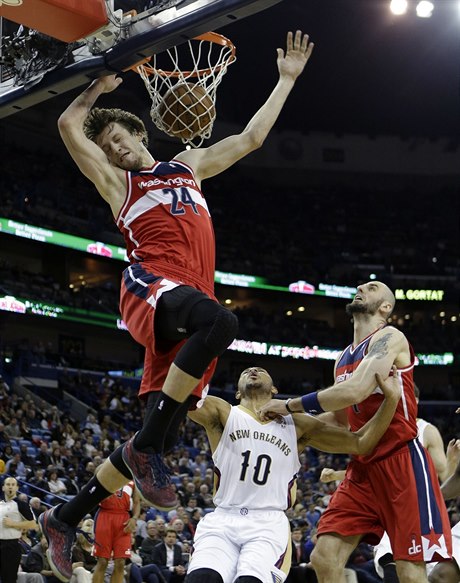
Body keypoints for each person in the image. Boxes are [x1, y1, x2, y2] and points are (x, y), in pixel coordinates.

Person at [39, 29, 315, 583]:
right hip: (153, 284)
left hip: (192, 308)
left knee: (157, 437)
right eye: (110, 145)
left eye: (121, 138)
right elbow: (70, 126)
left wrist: (285, 79)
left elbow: (253, 138)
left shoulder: (189, 165)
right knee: (224, 320)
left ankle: (65, 517)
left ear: (141, 132)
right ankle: (140, 453)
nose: (117, 148)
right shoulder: (120, 186)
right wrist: (96, 89)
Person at [258, 281, 452, 583]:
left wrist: (289, 406)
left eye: (372, 287)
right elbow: (338, 420)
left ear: (385, 307)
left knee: (409, 572)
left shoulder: (390, 337)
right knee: (323, 557)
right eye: (362, 286)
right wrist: (291, 430)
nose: (361, 287)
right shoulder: (342, 357)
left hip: (402, 463)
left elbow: (356, 389)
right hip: (363, 468)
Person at [185, 363, 401, 583]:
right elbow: (182, 395)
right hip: (223, 517)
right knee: (201, 578)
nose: (253, 371)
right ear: (238, 392)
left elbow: (360, 443)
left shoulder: (296, 425)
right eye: (245, 371)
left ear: (274, 390)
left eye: (262, 370)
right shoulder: (223, 412)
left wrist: (391, 401)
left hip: (266, 525)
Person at [92, 481, 140, 583]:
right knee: (102, 561)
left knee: (121, 562)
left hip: (123, 518)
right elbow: (93, 491)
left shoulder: (133, 478)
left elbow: (137, 502)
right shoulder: (105, 468)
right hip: (105, 515)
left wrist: (134, 518)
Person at [0, 476, 38, 583]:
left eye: (13, 485)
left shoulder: (21, 504)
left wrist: (13, 524)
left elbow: (33, 525)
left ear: (17, 488)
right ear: (3, 488)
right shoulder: (0, 504)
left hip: (10, 546)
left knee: (9, 579)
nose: (10, 487)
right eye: (8, 484)